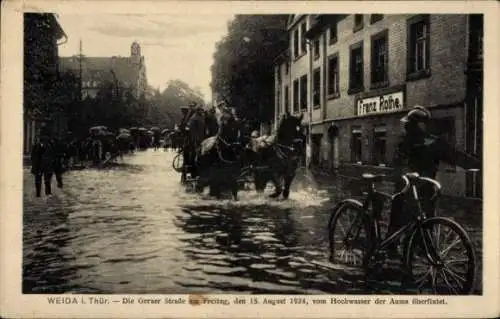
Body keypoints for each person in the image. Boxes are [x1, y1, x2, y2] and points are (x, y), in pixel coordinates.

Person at [387, 105, 481, 247]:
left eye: (410, 125)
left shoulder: (434, 143)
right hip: (405, 190)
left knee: (423, 226)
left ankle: (416, 252)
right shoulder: (405, 143)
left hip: (424, 191)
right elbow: (397, 164)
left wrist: (481, 165)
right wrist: (404, 174)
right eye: (408, 125)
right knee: (397, 228)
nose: (408, 128)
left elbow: (456, 157)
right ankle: (391, 251)